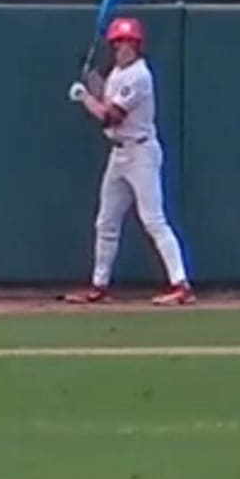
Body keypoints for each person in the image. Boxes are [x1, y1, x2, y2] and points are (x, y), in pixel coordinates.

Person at [60, 18, 194, 306]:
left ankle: (181, 285)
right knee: (106, 222)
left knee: (154, 220)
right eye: (118, 43)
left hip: (141, 152)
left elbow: (111, 116)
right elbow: (106, 98)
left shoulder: (139, 76)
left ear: (137, 46)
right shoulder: (117, 74)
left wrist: (84, 97)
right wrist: (92, 81)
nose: (123, 47)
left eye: (128, 43)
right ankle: (99, 286)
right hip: (119, 153)